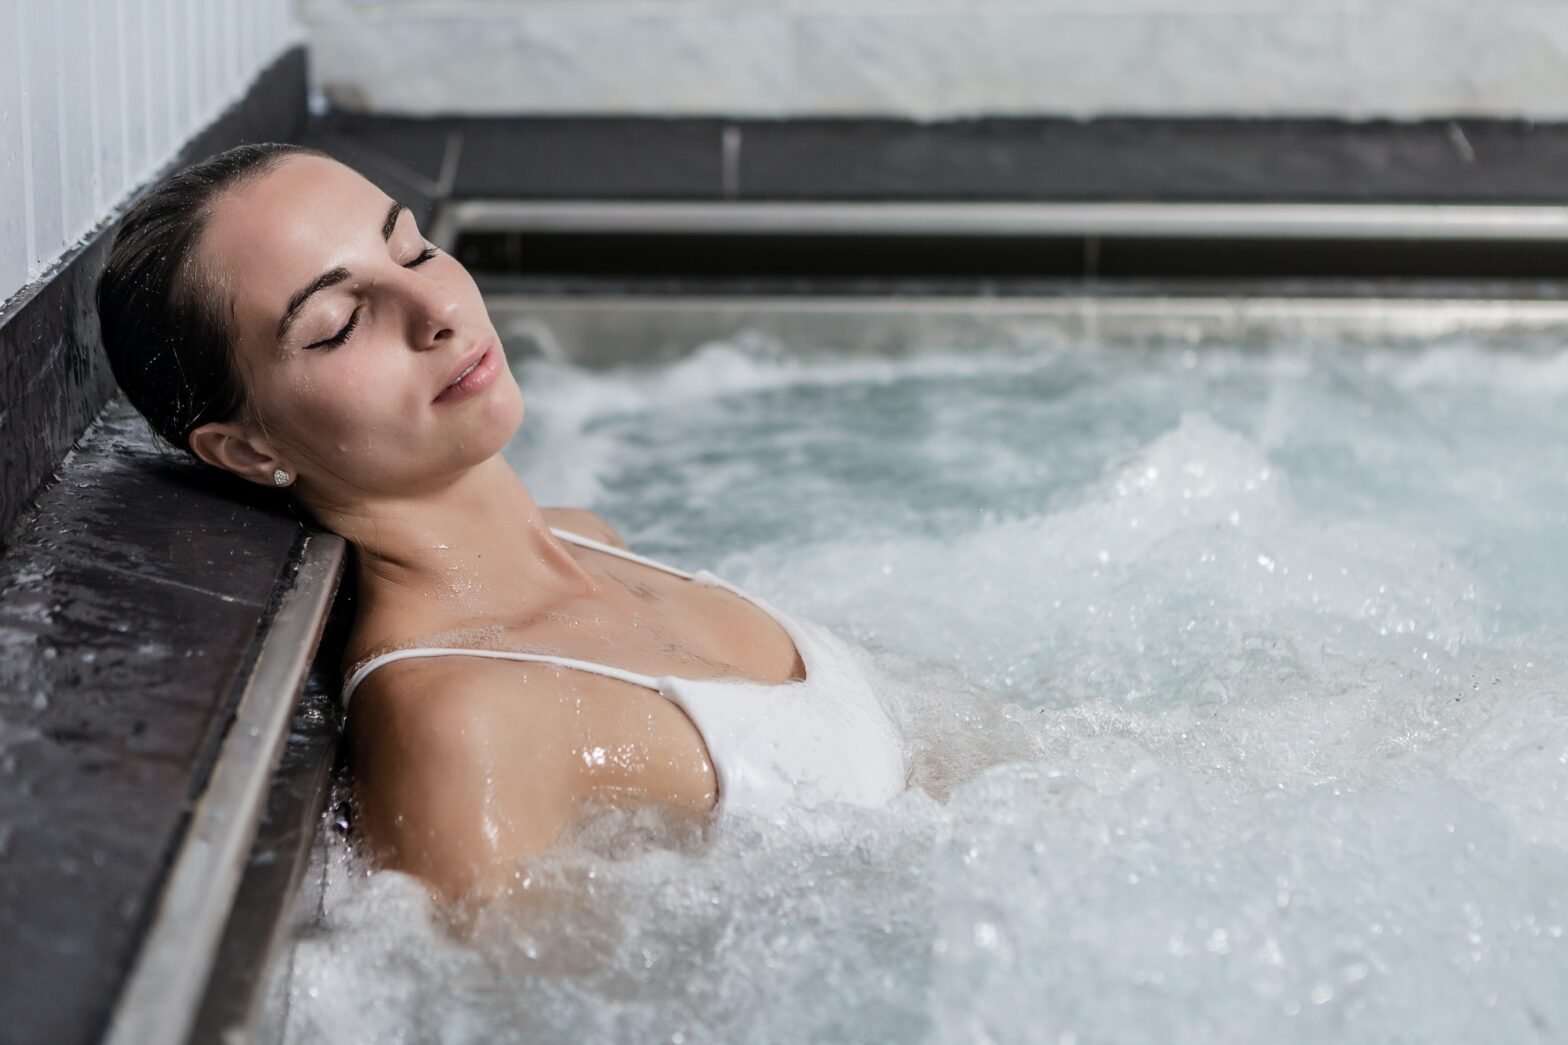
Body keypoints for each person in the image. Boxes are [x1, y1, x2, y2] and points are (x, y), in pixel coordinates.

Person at [95, 143, 907, 906]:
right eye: (341, 322)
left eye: (412, 250)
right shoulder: (460, 729)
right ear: (246, 448)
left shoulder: (588, 537)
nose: (434, 307)